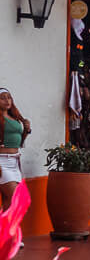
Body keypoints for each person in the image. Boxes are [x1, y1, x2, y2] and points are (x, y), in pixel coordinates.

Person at [0, 88, 31, 226]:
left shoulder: (14, 117)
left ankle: (8, 235)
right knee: (15, 198)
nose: (7, 100)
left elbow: (18, 140)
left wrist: (26, 130)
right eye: (3, 98)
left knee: (8, 201)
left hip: (15, 161)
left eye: (9, 97)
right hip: (2, 161)